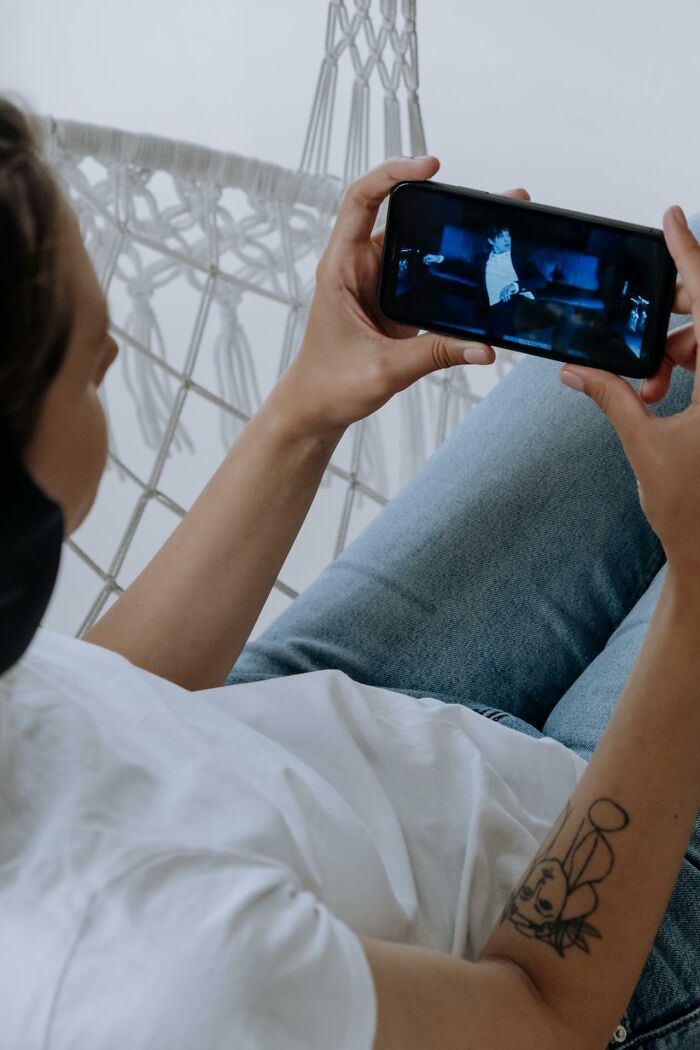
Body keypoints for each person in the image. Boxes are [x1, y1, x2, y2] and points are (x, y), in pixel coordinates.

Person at [1, 95, 699, 1050]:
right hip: (557, 943)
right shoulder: (165, 980)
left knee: (657, 318)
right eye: (90, 369)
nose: (116, 351)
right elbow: (545, 1018)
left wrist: (306, 407)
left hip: (283, 746)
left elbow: (101, 699)